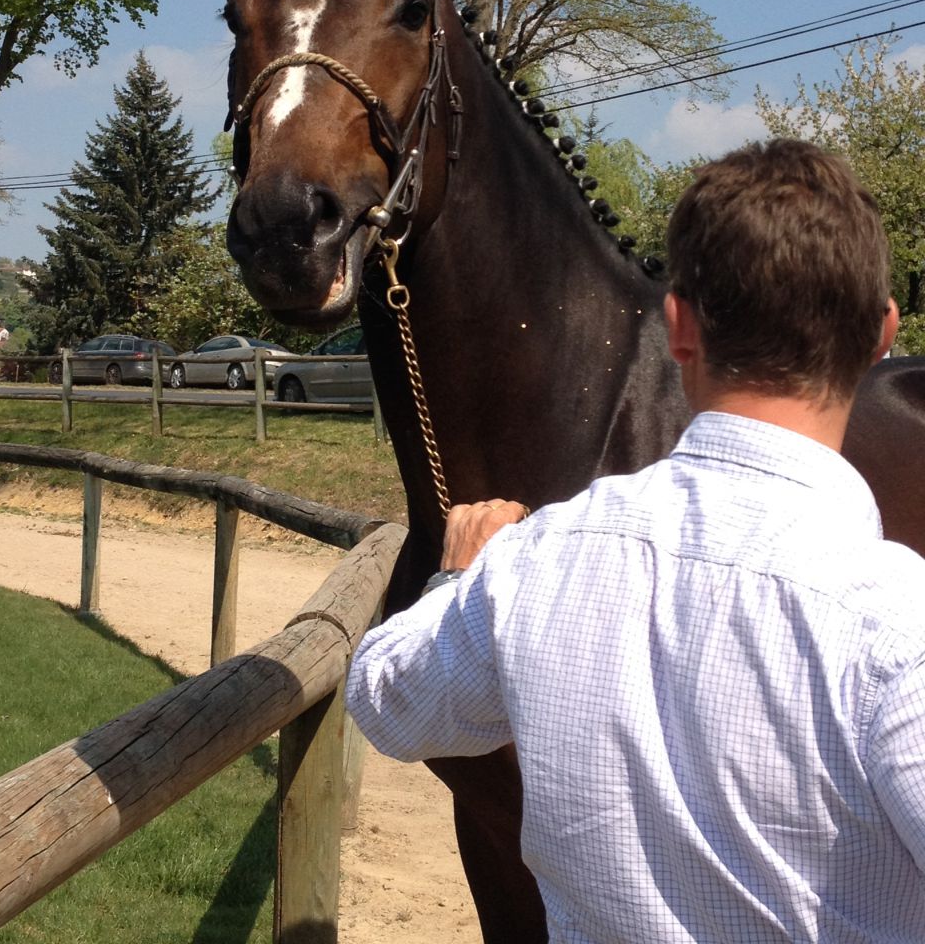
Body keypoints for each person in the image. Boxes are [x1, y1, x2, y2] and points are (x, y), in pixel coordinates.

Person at [346, 139, 925, 942]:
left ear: (679, 326)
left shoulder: (531, 564)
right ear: (882, 336)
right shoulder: (900, 628)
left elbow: (386, 702)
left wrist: (457, 581)